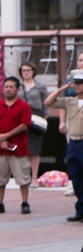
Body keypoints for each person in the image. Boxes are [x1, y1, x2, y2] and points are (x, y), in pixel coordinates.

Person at [0, 76, 32, 215]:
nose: (8, 89)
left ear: (17, 89)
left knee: (22, 177)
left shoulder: (24, 106)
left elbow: (24, 125)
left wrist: (6, 135)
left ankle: (24, 202)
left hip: (19, 148)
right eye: (6, 87)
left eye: (11, 87)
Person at [45, 70, 83, 221]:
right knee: (76, 177)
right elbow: (48, 102)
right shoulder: (70, 101)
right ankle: (80, 210)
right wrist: (61, 90)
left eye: (81, 84)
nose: (78, 86)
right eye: (77, 84)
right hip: (74, 142)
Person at [18, 61, 48, 186]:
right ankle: (23, 176)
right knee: (21, 148)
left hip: (36, 117)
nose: (25, 73)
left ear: (33, 72)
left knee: (34, 150)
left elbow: (46, 104)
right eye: (23, 70)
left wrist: (44, 120)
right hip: (20, 117)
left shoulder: (40, 86)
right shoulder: (18, 86)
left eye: (28, 70)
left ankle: (34, 177)